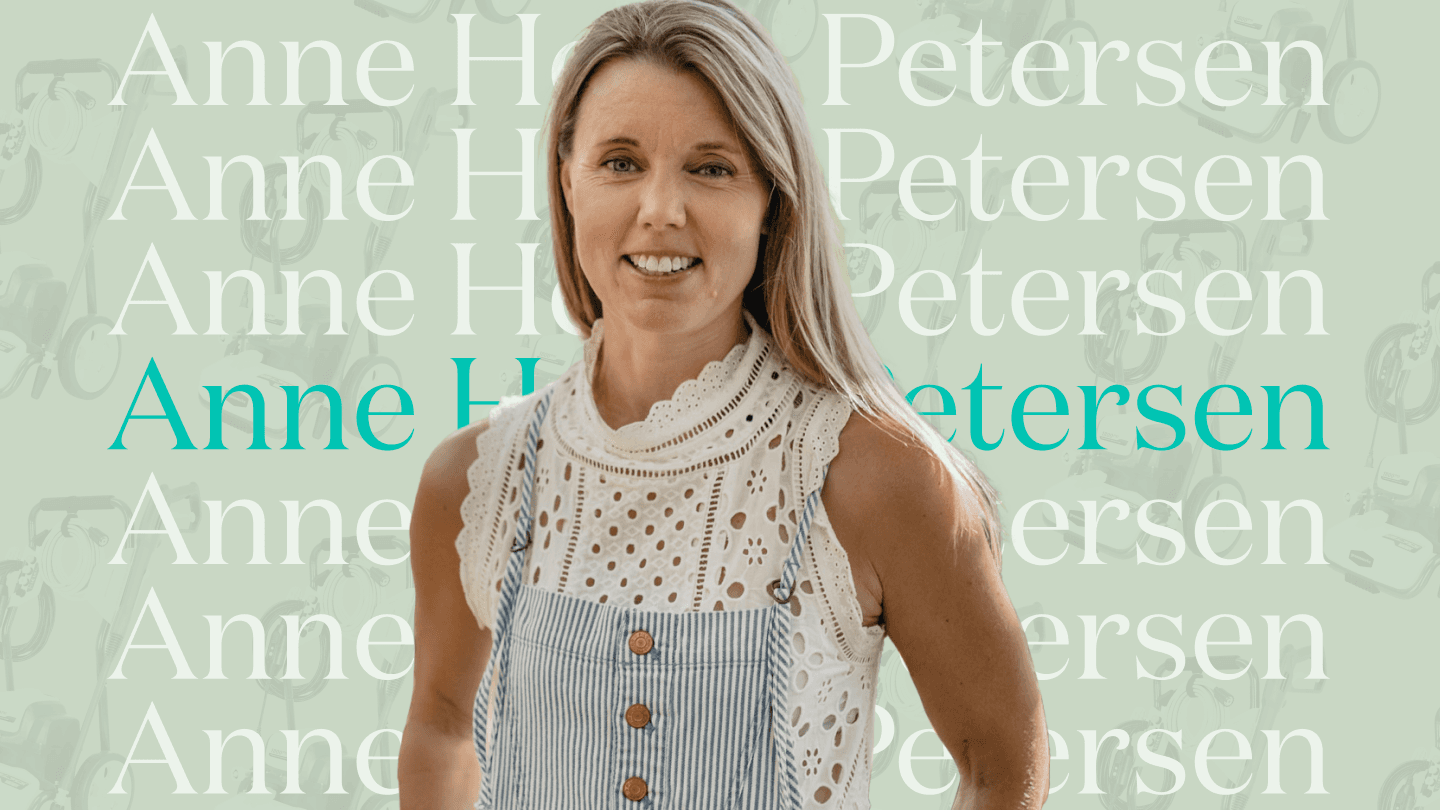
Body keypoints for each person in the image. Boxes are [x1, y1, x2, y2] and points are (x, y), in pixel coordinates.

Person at [398, 0, 1048, 808]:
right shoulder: (473, 480)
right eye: (621, 162)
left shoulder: (872, 474)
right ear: (568, 178)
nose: (661, 209)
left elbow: (1000, 762)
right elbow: (442, 722)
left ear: (771, 198)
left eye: (711, 168)